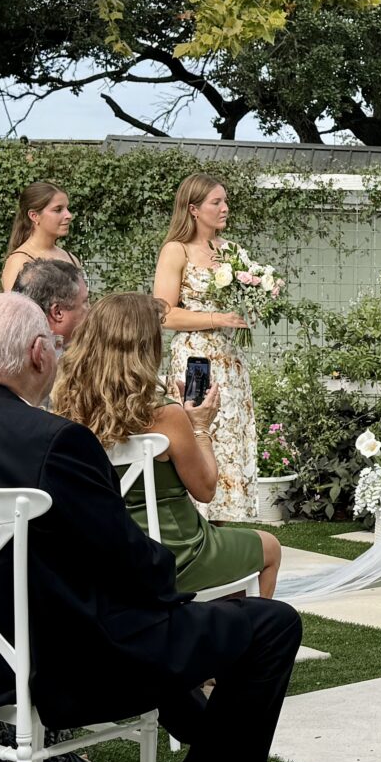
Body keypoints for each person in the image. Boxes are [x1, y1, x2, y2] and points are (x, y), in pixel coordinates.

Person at [0, 295, 301, 762]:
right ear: (40, 353)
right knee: (271, 622)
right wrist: (172, 590)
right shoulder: (56, 443)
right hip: (67, 668)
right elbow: (129, 562)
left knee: (161, 626)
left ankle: (207, 754)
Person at [50, 291, 282, 599]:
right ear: (146, 347)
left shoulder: (67, 406)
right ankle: (231, 640)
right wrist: (199, 426)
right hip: (174, 554)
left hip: (101, 553)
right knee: (270, 549)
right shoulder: (164, 413)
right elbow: (206, 489)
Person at [154, 174, 262, 523]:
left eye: (225, 201)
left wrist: (260, 299)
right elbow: (164, 314)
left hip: (231, 361)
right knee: (202, 431)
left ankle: (229, 521)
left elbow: (244, 300)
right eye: (216, 202)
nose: (225, 208)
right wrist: (216, 317)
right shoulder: (176, 250)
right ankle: (194, 520)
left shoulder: (232, 252)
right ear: (194, 209)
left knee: (231, 435)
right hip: (196, 359)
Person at [0, 180, 76, 293]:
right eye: (58, 210)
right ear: (34, 216)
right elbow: (15, 308)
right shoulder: (19, 261)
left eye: (67, 208)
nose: (69, 215)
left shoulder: (71, 258)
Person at [16, 255, 91, 349]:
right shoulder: (51, 360)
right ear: (57, 312)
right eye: (85, 302)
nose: (90, 311)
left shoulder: (11, 347)